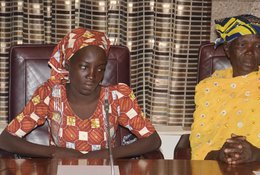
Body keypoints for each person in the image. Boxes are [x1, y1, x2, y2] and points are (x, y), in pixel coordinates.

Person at [0, 28, 161, 158]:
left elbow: (153, 140)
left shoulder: (117, 98)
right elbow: (6, 139)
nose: (92, 76)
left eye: (100, 69)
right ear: (68, 65)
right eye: (84, 67)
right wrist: (53, 152)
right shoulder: (49, 95)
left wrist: (105, 154)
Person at [190, 14, 260, 164]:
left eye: (257, 46)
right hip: (219, 168)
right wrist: (220, 155)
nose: (250, 51)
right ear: (228, 49)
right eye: (242, 44)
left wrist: (258, 155)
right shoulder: (209, 88)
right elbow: (199, 146)